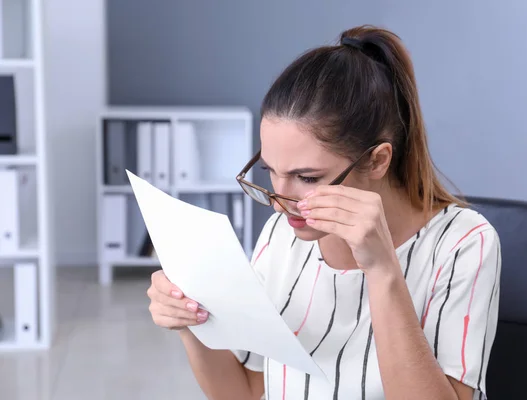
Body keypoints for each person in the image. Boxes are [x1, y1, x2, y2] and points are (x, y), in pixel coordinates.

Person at [147, 25, 501, 400]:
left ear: (378, 160)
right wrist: (191, 323)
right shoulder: (280, 236)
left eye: (306, 177)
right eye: (270, 172)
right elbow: (247, 392)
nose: (279, 201)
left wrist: (382, 271)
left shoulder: (464, 244)